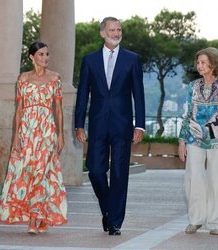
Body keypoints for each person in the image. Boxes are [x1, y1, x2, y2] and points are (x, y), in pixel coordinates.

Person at [75, 17, 145, 235]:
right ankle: (108, 209)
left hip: (123, 125)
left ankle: (115, 222)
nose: (116, 33)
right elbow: (82, 94)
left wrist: (140, 125)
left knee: (119, 173)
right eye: (112, 30)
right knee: (95, 171)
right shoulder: (90, 60)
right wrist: (79, 124)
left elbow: (139, 94)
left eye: (119, 30)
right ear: (102, 33)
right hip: (97, 124)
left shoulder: (132, 59)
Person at [0, 41, 68, 234]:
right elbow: (19, 110)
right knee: (28, 172)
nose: (45, 58)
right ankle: (41, 217)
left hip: (46, 130)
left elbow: (59, 111)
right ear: (31, 57)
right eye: (41, 54)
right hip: (27, 131)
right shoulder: (23, 78)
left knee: (42, 172)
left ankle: (34, 219)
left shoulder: (55, 78)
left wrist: (60, 135)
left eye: (47, 54)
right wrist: (15, 137)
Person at [178, 47, 218, 236]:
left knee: (216, 178)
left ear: (213, 64)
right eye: (198, 62)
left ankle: (214, 222)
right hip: (194, 137)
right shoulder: (193, 86)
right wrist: (181, 140)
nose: (199, 66)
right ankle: (196, 219)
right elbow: (187, 113)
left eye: (203, 62)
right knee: (193, 178)